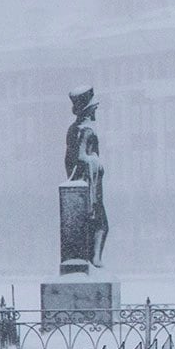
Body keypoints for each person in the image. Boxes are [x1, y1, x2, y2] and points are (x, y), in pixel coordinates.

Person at [65, 86, 109, 267]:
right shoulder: (87, 131)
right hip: (89, 190)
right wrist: (97, 163)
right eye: (94, 109)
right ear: (88, 110)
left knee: (86, 229)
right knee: (101, 225)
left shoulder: (73, 129)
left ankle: (91, 260)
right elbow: (81, 158)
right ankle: (95, 260)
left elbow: (69, 160)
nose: (96, 112)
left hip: (85, 186)